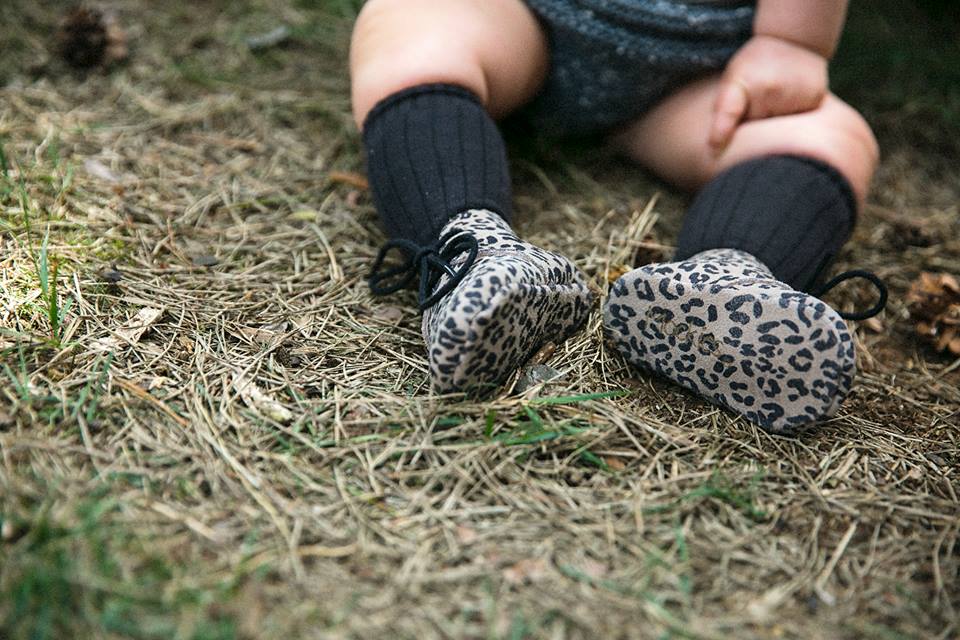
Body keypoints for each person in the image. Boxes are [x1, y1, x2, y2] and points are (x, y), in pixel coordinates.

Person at [351, 0, 886, 434]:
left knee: (833, 137)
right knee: (410, 28)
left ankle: (725, 286)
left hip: (696, 76)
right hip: (521, 22)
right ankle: (471, 255)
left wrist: (792, 41)